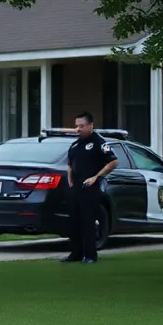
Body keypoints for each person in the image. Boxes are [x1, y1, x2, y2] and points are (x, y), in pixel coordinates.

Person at [61, 111, 118, 264]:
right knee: (74, 222)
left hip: (90, 187)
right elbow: (69, 164)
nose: (78, 129)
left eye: (82, 126)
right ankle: (76, 254)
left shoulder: (99, 142)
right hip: (76, 187)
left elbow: (113, 162)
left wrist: (96, 177)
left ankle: (90, 255)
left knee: (88, 221)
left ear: (91, 126)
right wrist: (70, 180)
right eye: (76, 126)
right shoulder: (75, 144)